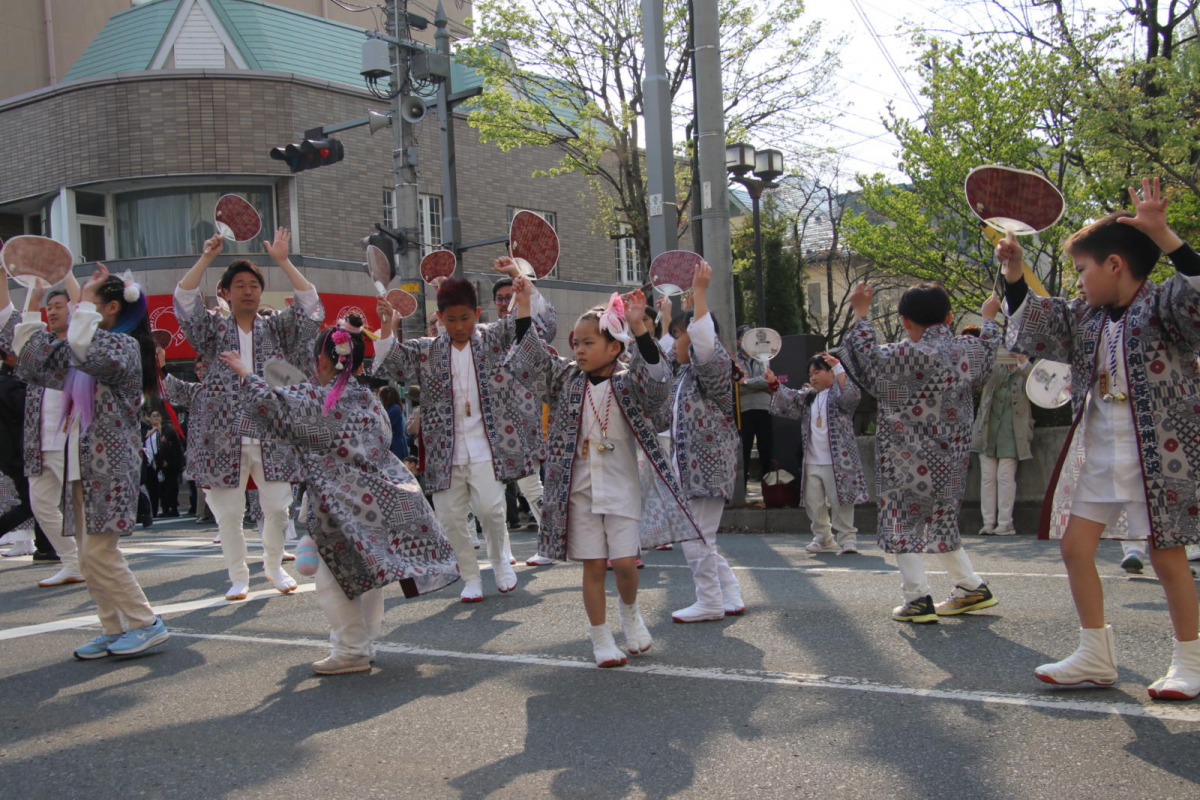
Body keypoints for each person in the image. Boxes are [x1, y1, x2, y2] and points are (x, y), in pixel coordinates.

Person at [1000, 178, 1200, 699]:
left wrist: (1166, 238)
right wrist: (1016, 273)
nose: (1079, 282)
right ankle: (1094, 653)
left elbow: (1197, 288)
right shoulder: (1086, 315)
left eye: (1083, 270)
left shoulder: (1164, 306)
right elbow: (1041, 320)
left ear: (1115, 264)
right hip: (1100, 442)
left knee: (1166, 554)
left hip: (1159, 450)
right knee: (1075, 546)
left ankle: (1191, 660)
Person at [221, 315, 459, 675]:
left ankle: (351, 649)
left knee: (335, 579)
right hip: (379, 497)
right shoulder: (370, 399)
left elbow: (271, 406)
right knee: (368, 576)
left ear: (321, 360)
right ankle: (362, 642)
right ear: (359, 364)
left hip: (338, 502)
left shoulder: (315, 398)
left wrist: (244, 372)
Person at [508, 279, 702, 666]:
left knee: (625, 563)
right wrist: (526, 303)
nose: (578, 350)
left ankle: (631, 615)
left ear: (615, 347)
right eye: (576, 343)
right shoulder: (565, 381)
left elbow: (657, 386)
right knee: (594, 565)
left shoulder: (628, 384)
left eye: (588, 343)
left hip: (621, 485)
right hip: (577, 489)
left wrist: (641, 328)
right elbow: (532, 360)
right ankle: (600, 639)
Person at [1, 264, 168, 659]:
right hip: (82, 468)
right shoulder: (83, 348)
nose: (76, 309)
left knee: (97, 553)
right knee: (87, 556)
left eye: (84, 305)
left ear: (110, 309)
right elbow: (30, 361)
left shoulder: (122, 347)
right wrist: (32, 298)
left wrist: (84, 303)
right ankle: (112, 628)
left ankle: (146, 623)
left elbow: (82, 349)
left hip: (109, 467)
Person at [371, 262, 555, 602]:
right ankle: (470, 576)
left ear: (477, 313)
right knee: (451, 516)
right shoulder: (427, 350)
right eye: (451, 319)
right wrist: (386, 326)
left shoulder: (493, 338)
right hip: (445, 448)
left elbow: (529, 330)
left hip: (486, 442)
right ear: (440, 317)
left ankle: (500, 560)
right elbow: (390, 364)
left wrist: (525, 293)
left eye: (465, 318)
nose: (459, 326)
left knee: (489, 508)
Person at [174, 229, 322, 601]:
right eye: (239, 284)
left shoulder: (276, 328)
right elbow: (185, 300)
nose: (248, 290)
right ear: (225, 292)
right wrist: (207, 257)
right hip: (221, 436)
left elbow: (309, 306)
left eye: (254, 284)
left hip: (270, 433)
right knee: (228, 514)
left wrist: (284, 261)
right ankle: (238, 576)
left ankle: (273, 566)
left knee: (276, 507)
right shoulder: (212, 329)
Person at [842, 280, 1002, 624]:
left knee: (903, 520)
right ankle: (970, 586)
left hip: (907, 458)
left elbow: (864, 357)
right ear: (949, 316)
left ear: (904, 321)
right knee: (941, 520)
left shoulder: (902, 356)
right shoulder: (965, 351)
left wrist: (861, 312)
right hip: (952, 458)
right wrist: (989, 316)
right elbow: (989, 345)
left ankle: (916, 597)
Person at [659, 262, 745, 622]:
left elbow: (706, 343)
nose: (678, 341)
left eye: (682, 335)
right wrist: (664, 322)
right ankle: (729, 594)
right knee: (701, 537)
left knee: (696, 538)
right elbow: (661, 357)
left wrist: (701, 295)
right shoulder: (683, 376)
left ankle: (710, 601)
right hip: (694, 470)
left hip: (708, 469)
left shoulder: (712, 369)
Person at [765, 353, 869, 555]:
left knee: (841, 500)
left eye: (818, 371)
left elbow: (851, 396)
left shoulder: (840, 395)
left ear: (831, 372)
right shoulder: (808, 397)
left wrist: (839, 368)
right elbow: (789, 400)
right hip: (812, 459)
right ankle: (823, 538)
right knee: (814, 502)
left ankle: (847, 539)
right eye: (810, 373)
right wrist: (774, 384)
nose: (812, 377)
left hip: (839, 460)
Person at [23, 280, 85, 582]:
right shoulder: (42, 346)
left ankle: (94, 560)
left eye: (58, 306)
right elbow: (21, 340)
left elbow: (85, 312)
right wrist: (32, 299)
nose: (52, 312)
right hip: (39, 439)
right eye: (49, 308)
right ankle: (72, 562)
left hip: (71, 437)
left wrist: (68, 274)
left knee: (80, 507)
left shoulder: (80, 345)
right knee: (42, 504)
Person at [493, 276, 552, 565]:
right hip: (491, 426)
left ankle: (549, 544)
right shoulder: (487, 335)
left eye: (509, 296)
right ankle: (502, 555)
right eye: (501, 299)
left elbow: (548, 325)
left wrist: (528, 294)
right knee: (490, 496)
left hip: (524, 425)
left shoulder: (530, 333)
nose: (506, 303)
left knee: (531, 489)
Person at [970, 353, 1034, 536]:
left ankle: (1005, 522)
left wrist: (1023, 362)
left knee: (1005, 478)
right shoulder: (995, 368)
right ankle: (988, 522)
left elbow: (1039, 387)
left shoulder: (1028, 371)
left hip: (1013, 434)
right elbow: (980, 379)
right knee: (988, 479)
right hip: (987, 431)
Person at [736, 325, 774, 484]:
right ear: (738, 341)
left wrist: (745, 383)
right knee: (743, 451)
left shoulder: (763, 357)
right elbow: (735, 387)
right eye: (745, 337)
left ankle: (769, 492)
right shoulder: (735, 360)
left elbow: (767, 380)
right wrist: (756, 385)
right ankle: (741, 491)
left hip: (763, 409)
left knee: (766, 450)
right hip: (744, 410)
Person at [378, 385, 408, 461]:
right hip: (394, 443)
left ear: (388, 396)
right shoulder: (394, 408)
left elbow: (382, 422)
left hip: (395, 445)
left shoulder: (394, 409)